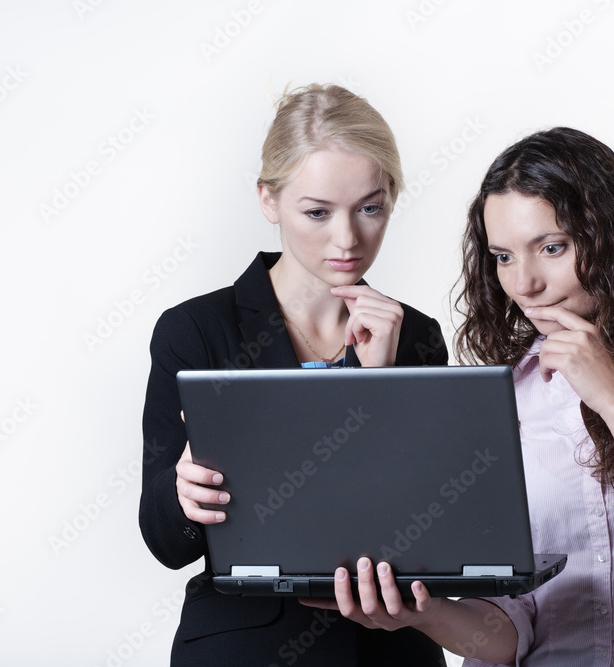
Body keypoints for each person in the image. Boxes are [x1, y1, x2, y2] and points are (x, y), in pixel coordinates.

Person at [302, 127, 614, 666]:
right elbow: (507, 627)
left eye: (552, 247)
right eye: (504, 257)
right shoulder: (502, 395)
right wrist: (420, 613)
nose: (525, 284)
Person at [138, 83, 448, 666]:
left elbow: (427, 529)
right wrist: (182, 494)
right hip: (246, 647)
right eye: (317, 212)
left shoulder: (417, 335)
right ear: (268, 200)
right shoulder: (197, 331)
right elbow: (165, 543)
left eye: (370, 207)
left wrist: (376, 383)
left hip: (389, 650)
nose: (347, 238)